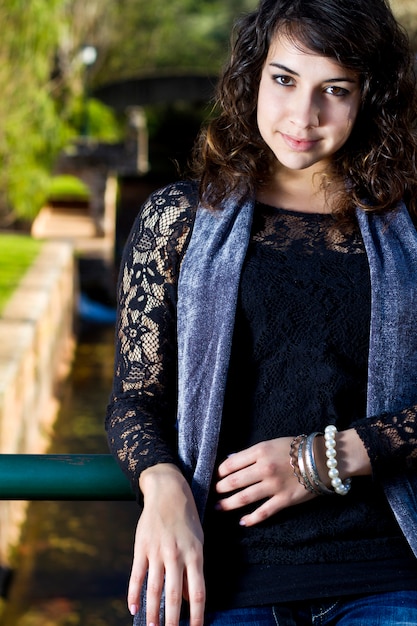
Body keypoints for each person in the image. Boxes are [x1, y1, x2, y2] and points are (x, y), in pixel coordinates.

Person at [105, 0, 417, 623]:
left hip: (384, 571)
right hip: (219, 573)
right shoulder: (179, 218)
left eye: (335, 89)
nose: (304, 116)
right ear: (253, 77)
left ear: (369, 98)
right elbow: (134, 400)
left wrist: (326, 457)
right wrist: (161, 485)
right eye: (284, 80)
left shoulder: (410, 226)